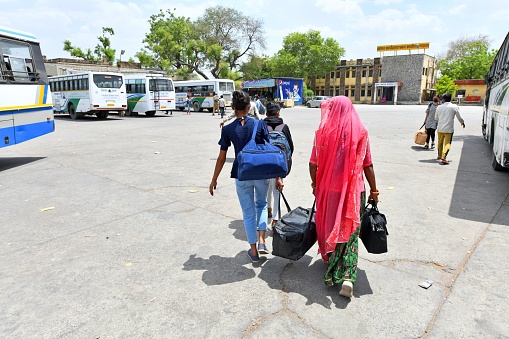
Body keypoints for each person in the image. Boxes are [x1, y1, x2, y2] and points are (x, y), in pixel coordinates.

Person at [309, 96, 379, 298]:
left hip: (329, 190)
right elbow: (368, 165)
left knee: (331, 226)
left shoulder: (322, 133)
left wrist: (316, 184)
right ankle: (348, 276)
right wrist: (374, 191)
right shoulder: (361, 131)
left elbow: (313, 164)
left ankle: (332, 264)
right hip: (354, 193)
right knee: (350, 232)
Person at [209, 90, 284, 263]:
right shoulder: (260, 125)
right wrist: (278, 176)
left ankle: (253, 251)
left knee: (248, 213)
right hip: (261, 171)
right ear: (249, 107)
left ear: (233, 108)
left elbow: (222, 157)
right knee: (262, 205)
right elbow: (269, 149)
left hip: (241, 174)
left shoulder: (227, 129)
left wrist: (214, 179)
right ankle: (262, 241)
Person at [264, 101, 294, 227]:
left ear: (266, 113)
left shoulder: (262, 126)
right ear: (278, 113)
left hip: (264, 163)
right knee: (277, 189)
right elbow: (290, 147)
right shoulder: (284, 127)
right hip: (280, 163)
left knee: (266, 189)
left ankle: (268, 211)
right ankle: (276, 219)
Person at [435, 93, 465, 165]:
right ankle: (444, 156)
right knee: (447, 143)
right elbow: (459, 117)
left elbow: (436, 118)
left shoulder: (439, 107)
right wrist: (462, 122)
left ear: (444, 99)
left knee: (440, 142)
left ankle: (439, 155)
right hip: (449, 129)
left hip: (440, 128)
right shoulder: (454, 107)